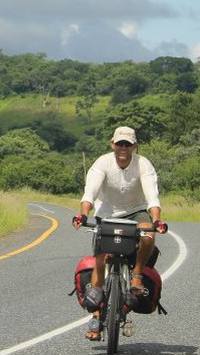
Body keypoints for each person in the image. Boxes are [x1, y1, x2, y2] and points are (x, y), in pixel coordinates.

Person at [72, 125, 167, 341]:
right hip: (106, 214)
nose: (123, 148)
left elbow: (153, 197)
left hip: (136, 211)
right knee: (101, 260)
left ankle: (136, 276)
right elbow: (90, 193)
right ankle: (96, 317)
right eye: (120, 143)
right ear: (112, 144)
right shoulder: (102, 163)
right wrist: (82, 215)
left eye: (128, 144)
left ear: (134, 146)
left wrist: (157, 219)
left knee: (148, 234)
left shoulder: (143, 164)